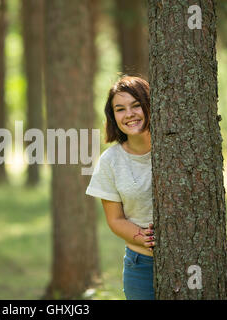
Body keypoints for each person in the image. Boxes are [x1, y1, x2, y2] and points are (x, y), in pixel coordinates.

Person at [86, 75, 155, 300]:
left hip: (191, 260)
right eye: (120, 109)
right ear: (113, 116)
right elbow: (115, 220)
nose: (129, 114)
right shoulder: (109, 161)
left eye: (136, 105)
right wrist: (142, 236)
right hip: (141, 264)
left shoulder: (177, 147)